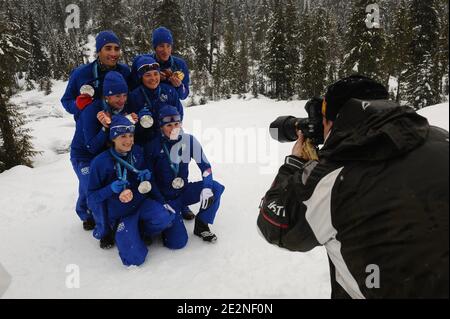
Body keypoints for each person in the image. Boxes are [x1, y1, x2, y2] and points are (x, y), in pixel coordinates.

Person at [257, 75, 449, 299]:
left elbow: (274, 225)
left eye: (324, 121)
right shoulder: (440, 137)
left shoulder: (333, 177)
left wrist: (296, 165)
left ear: (333, 121)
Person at [87, 115, 177, 266]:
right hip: (121, 214)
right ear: (113, 138)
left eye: (131, 135)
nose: (128, 140)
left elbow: (149, 179)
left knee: (166, 218)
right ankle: (123, 231)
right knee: (134, 260)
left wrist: (146, 179)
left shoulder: (137, 152)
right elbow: (91, 198)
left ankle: (142, 230)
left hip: (141, 204)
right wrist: (110, 189)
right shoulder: (100, 162)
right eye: (123, 136)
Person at [145, 105, 225, 244]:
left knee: (215, 188)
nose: (174, 128)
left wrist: (206, 187)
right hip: (166, 199)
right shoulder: (153, 146)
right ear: (161, 127)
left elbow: (206, 168)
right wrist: (161, 201)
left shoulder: (189, 141)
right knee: (177, 243)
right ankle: (164, 225)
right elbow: (149, 179)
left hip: (184, 191)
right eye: (168, 125)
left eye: (177, 123)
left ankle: (202, 225)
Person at [70, 71, 136, 230]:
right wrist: (105, 128)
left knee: (94, 184)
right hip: (84, 155)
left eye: (124, 95)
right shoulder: (91, 110)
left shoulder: (122, 108)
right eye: (117, 96)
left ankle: (90, 211)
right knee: (88, 185)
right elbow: (91, 146)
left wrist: (133, 120)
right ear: (107, 96)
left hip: (105, 152)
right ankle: (100, 227)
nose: (122, 100)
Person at [61, 30, 130, 121]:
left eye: (116, 49)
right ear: (98, 51)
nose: (113, 53)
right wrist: (77, 105)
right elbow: (66, 100)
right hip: (88, 128)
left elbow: (132, 96)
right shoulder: (81, 73)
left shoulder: (124, 71)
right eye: (108, 48)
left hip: (119, 129)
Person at [127, 55, 184, 146]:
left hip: (170, 137)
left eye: (155, 74)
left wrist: (173, 136)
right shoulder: (134, 97)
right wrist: (140, 123)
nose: (153, 78)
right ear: (141, 77)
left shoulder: (169, 91)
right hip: (145, 142)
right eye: (148, 75)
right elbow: (130, 126)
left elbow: (179, 116)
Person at [129, 27, 190, 100]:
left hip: (171, 106)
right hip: (147, 105)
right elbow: (133, 87)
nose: (165, 51)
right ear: (155, 48)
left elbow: (184, 95)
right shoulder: (144, 62)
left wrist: (179, 86)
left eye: (168, 46)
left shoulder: (180, 64)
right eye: (161, 46)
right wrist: (153, 78)